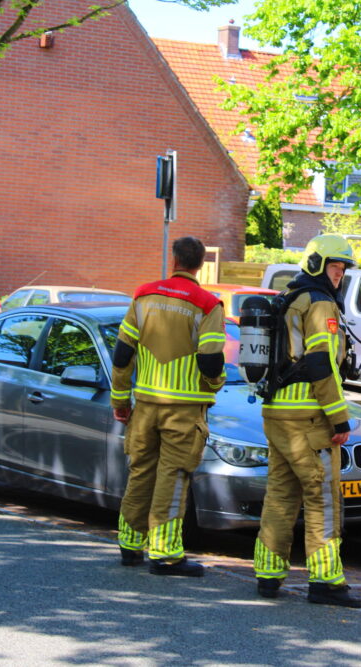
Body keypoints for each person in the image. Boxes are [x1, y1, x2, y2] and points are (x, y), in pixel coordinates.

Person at [253, 234, 361, 608]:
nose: (339, 275)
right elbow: (321, 363)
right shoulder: (319, 304)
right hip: (307, 416)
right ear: (317, 265)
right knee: (323, 497)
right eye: (335, 267)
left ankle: (268, 574)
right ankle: (327, 581)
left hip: (278, 412)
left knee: (281, 494)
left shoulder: (290, 296)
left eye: (343, 269)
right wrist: (339, 418)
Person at [111, 236, 226, 577]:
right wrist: (216, 385)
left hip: (145, 403)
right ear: (200, 265)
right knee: (173, 477)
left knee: (140, 472)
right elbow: (209, 361)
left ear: (174, 260)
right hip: (185, 409)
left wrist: (120, 399)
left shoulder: (143, 296)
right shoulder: (208, 304)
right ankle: (165, 553)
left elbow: (122, 355)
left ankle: (130, 545)